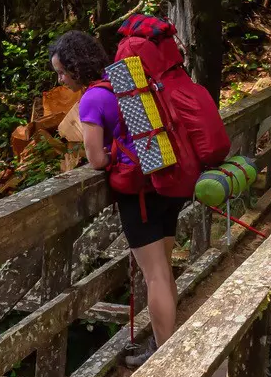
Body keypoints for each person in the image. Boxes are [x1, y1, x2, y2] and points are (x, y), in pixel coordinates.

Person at [48, 30, 180, 359]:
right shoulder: (123, 81)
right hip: (162, 177)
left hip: (139, 194)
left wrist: (109, 155)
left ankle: (165, 355)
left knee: (156, 275)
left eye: (62, 72)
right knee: (162, 269)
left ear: (77, 67)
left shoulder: (92, 98)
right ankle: (168, 342)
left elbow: (95, 160)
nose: (61, 80)